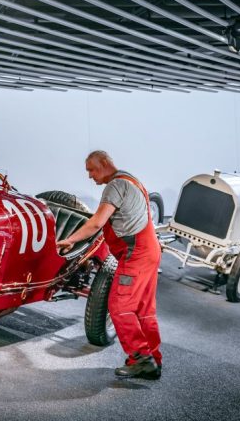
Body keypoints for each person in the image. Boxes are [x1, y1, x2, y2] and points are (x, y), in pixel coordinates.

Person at [56, 151, 162, 379]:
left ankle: (141, 358)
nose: (89, 176)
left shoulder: (115, 186)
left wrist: (70, 239)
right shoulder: (132, 181)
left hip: (136, 253)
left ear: (104, 164)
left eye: (91, 169)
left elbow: (96, 223)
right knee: (144, 310)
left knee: (119, 305)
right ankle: (154, 360)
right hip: (149, 250)